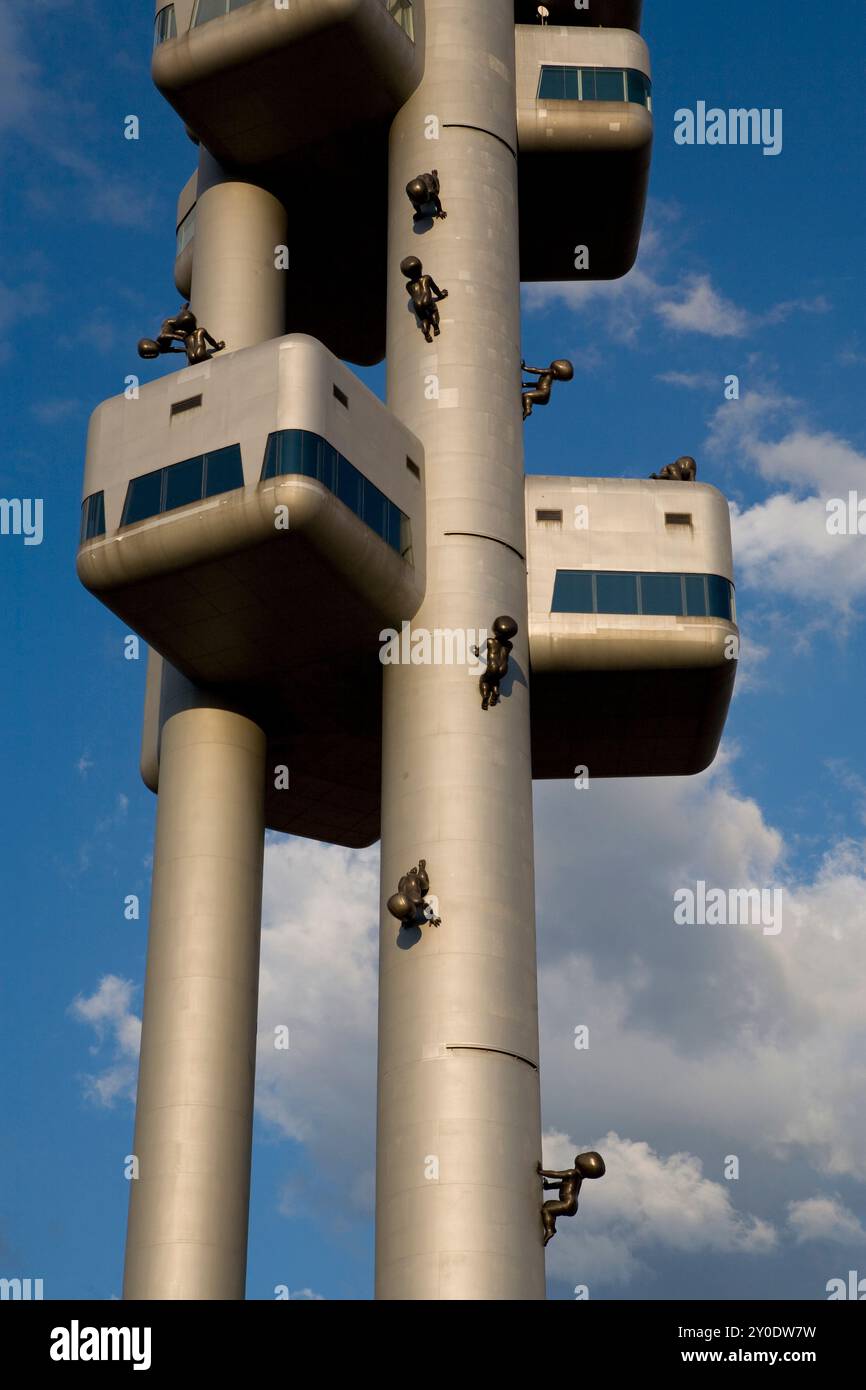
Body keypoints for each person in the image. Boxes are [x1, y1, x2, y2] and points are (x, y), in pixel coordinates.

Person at [537, 1151, 605, 1245]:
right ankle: (551, 1224)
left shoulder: (572, 1173)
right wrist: (548, 1186)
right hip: (572, 1206)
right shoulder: (578, 1179)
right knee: (549, 1205)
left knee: (546, 1209)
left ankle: (549, 1230)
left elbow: (556, 1174)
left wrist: (541, 1172)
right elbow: (562, 1185)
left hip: (567, 1204)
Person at [400, 256, 448, 342]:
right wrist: (441, 295)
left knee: (424, 319)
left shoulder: (408, 285)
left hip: (417, 304)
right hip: (427, 301)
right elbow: (435, 289)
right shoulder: (426, 278)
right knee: (433, 312)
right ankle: (436, 327)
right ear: (420, 267)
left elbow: (413, 295)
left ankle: (426, 333)